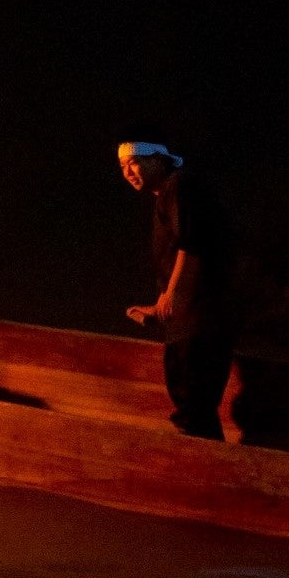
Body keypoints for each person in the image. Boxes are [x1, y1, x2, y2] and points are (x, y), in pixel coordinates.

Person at [119, 135, 239, 439]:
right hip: (190, 320)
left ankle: (203, 465)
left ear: (159, 160)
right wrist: (160, 304)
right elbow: (176, 254)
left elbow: (191, 244)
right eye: (122, 166)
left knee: (193, 406)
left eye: (134, 162)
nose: (128, 172)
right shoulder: (169, 194)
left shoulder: (179, 186)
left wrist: (172, 295)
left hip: (199, 320)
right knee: (194, 407)